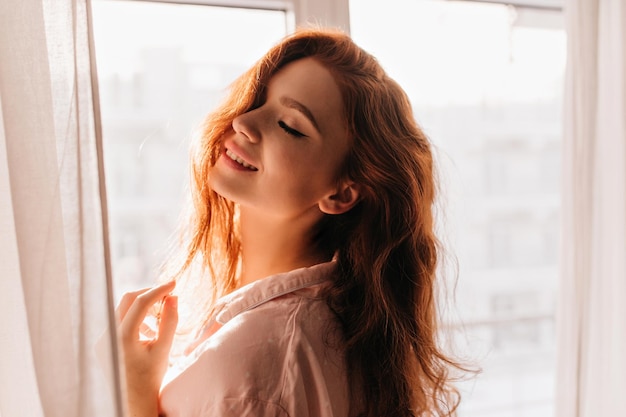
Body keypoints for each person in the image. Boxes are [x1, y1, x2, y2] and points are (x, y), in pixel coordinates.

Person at [116, 28, 465, 417]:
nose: (244, 122)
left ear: (341, 193)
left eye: (289, 125)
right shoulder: (330, 324)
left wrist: (135, 396)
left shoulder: (253, 362)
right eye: (257, 101)